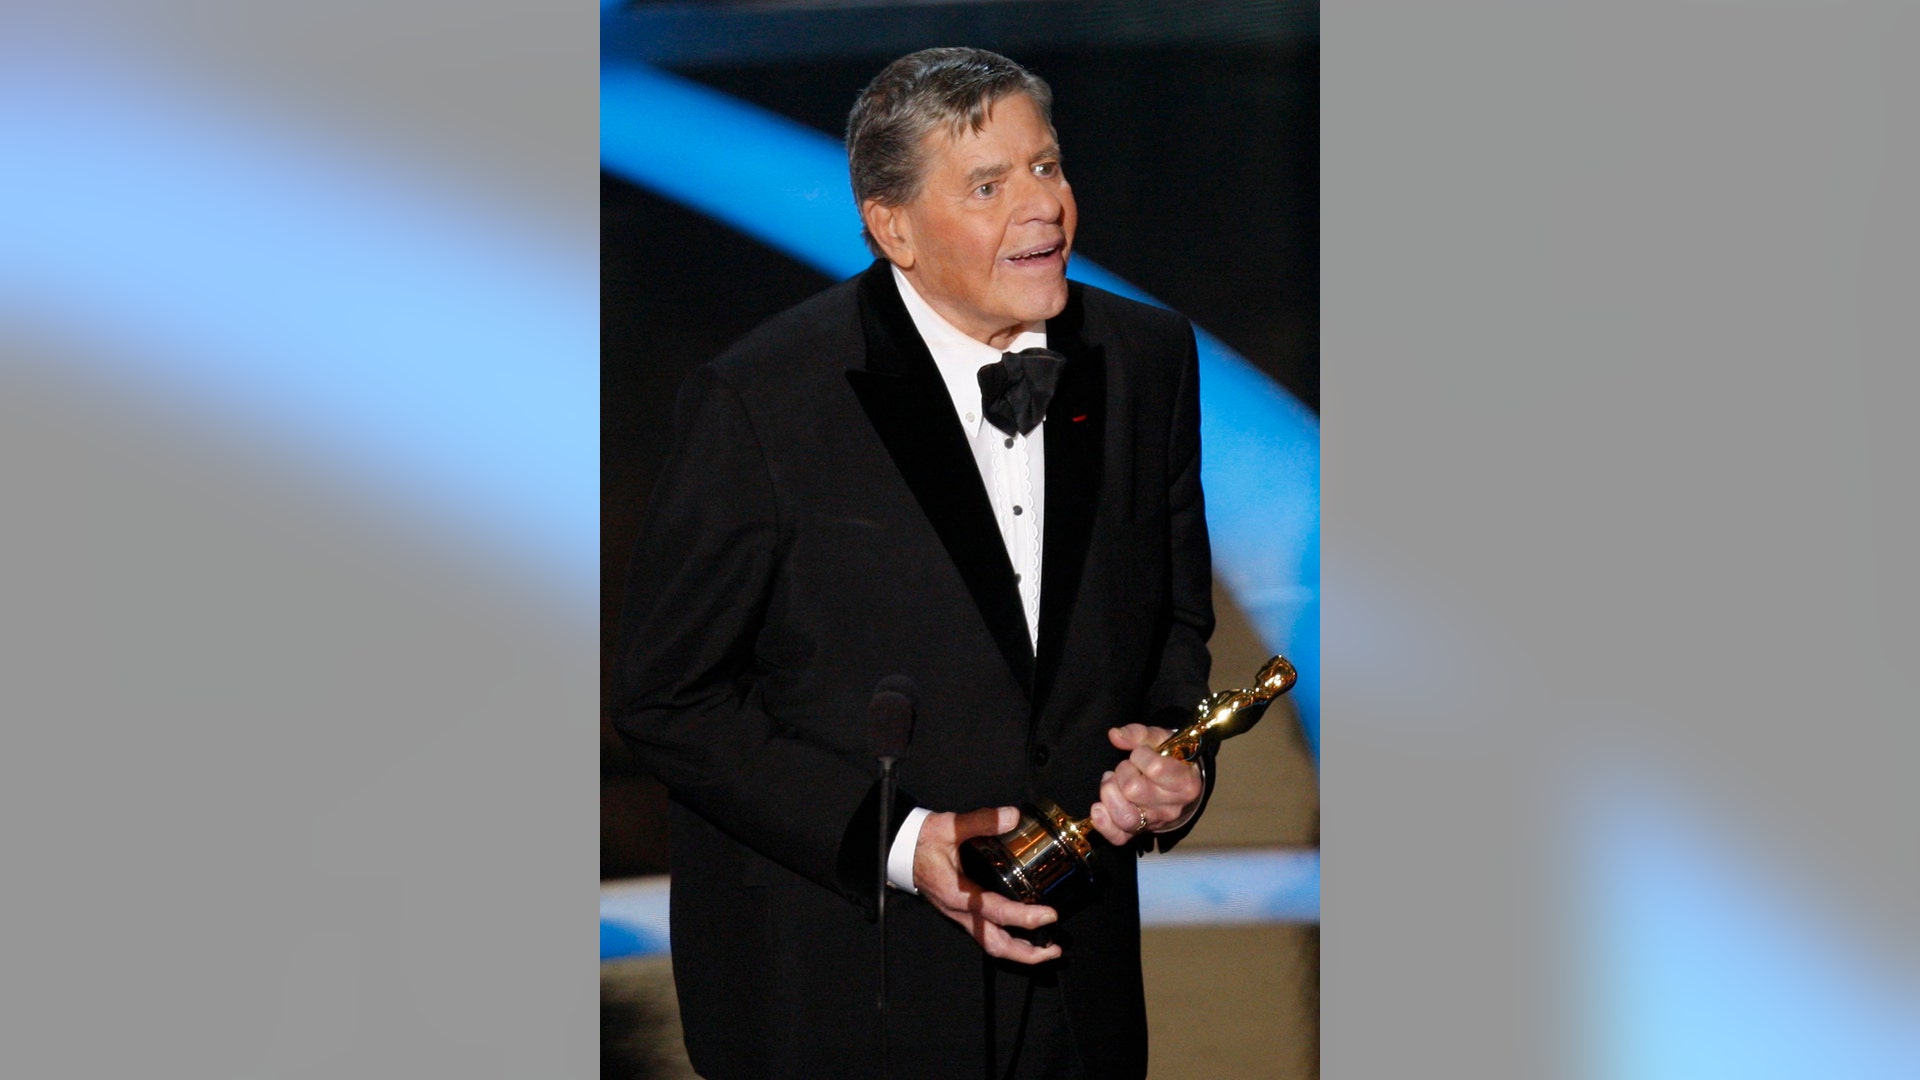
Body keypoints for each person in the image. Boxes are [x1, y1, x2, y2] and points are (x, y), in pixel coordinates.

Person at [613, 47, 1215, 1079]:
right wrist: (900, 841)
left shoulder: (1145, 358)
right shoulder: (763, 402)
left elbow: (1171, 625)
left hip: (1077, 992)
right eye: (989, 185)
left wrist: (1172, 760)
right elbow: (670, 698)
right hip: (845, 992)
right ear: (892, 225)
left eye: (1048, 167)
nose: (1044, 209)